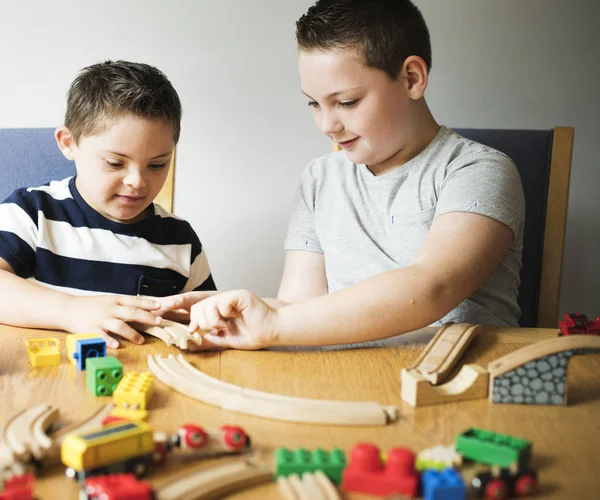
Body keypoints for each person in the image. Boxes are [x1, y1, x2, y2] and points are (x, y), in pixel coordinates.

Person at [157, 0, 524, 349]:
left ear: (412, 78)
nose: (327, 125)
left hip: (464, 379)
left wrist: (275, 324)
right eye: (314, 103)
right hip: (348, 375)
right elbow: (299, 309)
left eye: (346, 102)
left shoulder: (479, 170)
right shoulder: (320, 178)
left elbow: (432, 287)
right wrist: (239, 312)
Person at [0, 61, 215, 348]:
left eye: (157, 164)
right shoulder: (31, 212)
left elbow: (206, 317)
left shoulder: (181, 240)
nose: (137, 181)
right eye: (115, 163)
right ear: (68, 143)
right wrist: (69, 310)